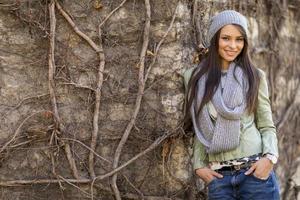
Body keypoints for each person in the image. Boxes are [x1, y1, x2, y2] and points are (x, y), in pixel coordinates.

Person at [182, 10, 280, 200]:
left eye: (239, 39)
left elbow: (267, 125)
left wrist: (269, 159)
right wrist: (199, 165)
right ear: (214, 39)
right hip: (219, 180)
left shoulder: (255, 76)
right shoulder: (194, 78)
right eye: (226, 38)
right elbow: (200, 128)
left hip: (255, 175)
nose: (233, 46)